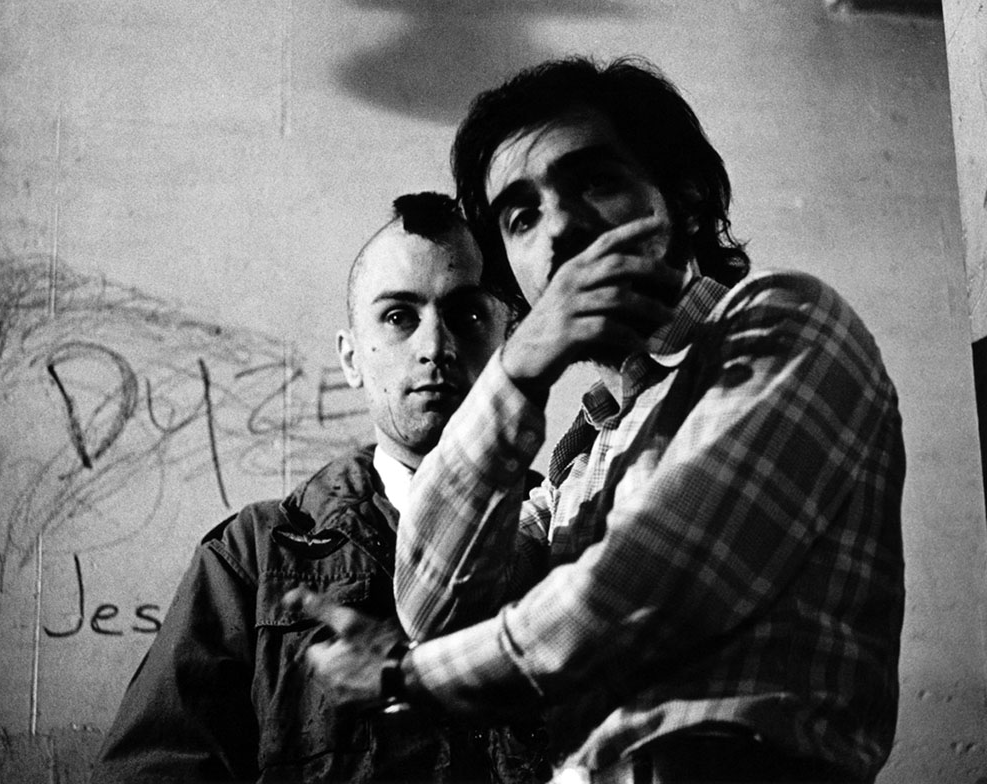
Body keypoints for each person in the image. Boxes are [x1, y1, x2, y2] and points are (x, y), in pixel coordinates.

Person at [293, 58, 906, 784]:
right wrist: (515, 371)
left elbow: (645, 592)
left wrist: (407, 679)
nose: (560, 229)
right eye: (521, 218)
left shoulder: (784, 321)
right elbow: (435, 610)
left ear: (683, 198)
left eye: (595, 181)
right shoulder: (580, 458)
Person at [91, 192, 541, 783]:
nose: (436, 347)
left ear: (511, 343)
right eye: (399, 317)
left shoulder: (575, 523)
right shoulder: (253, 556)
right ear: (351, 359)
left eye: (469, 316)